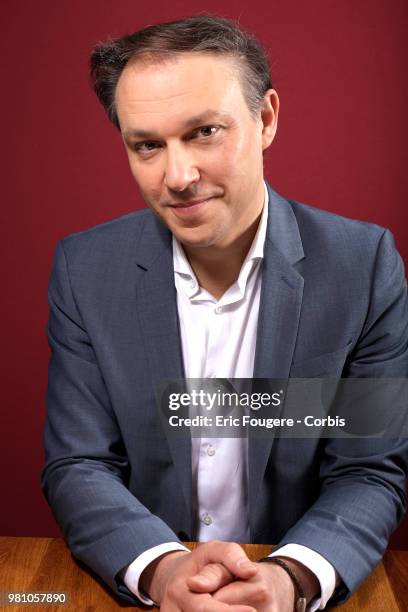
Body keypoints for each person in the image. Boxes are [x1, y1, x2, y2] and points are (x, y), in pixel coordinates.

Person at [41, 15, 408, 612]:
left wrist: (291, 577)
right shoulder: (84, 270)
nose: (178, 177)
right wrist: (162, 571)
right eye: (147, 145)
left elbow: (369, 470)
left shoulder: (362, 266)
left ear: (265, 119)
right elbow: (80, 462)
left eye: (205, 132)